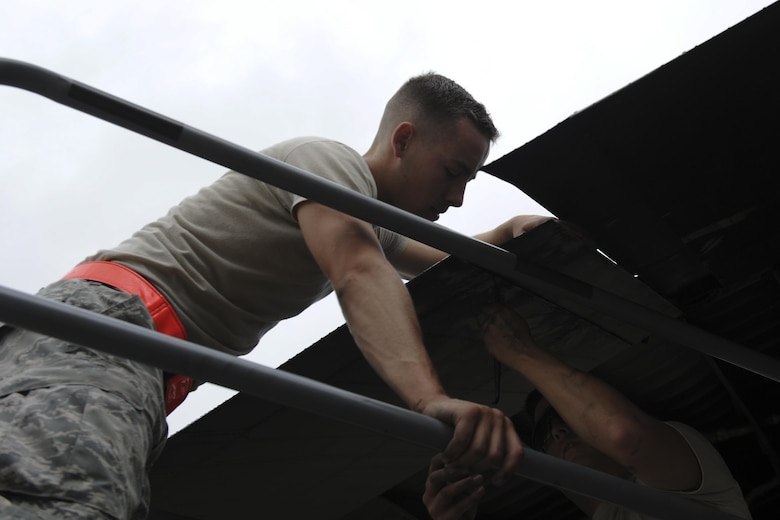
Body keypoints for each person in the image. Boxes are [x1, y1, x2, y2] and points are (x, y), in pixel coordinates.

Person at [0, 73, 550, 519]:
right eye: (453, 173)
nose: (456, 199)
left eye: (469, 184)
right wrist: (430, 401)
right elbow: (358, 272)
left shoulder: (371, 226)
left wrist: (508, 233)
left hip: (141, 364)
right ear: (403, 140)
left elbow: (442, 262)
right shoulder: (329, 164)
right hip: (110, 333)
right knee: (67, 504)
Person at [423, 305, 752, 520]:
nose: (556, 432)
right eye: (542, 434)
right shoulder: (608, 513)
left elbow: (624, 436)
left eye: (562, 415)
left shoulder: (691, 472)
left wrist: (520, 351)